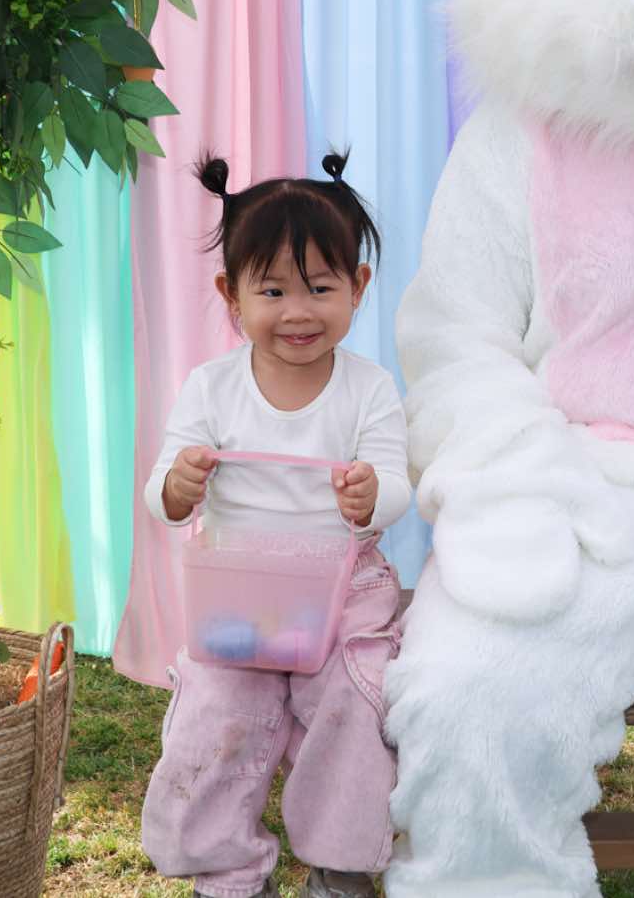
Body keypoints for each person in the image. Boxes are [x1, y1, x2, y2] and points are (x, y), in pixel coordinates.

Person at [140, 153, 408, 898]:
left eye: (321, 288)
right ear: (231, 294)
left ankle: (341, 863)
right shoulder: (211, 388)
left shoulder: (368, 388)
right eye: (273, 290)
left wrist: (372, 494)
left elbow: (397, 482)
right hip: (238, 594)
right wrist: (180, 484)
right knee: (217, 712)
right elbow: (162, 494)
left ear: (358, 286)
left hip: (342, 590)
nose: (298, 312)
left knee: (354, 703)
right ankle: (225, 869)